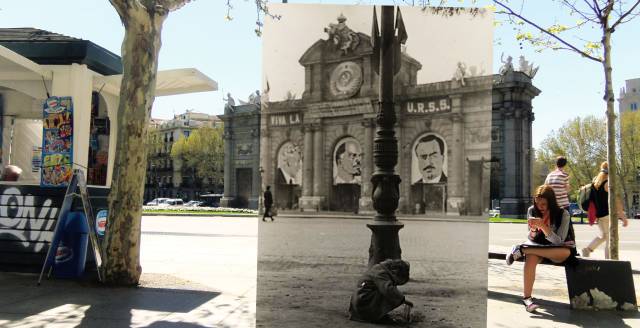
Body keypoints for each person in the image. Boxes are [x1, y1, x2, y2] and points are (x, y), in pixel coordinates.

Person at [506, 184, 576, 313]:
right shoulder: (532, 210)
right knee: (531, 258)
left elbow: (559, 241)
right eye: (537, 203)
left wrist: (543, 227)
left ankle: (521, 249)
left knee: (565, 252)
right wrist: (533, 229)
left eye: (543, 204)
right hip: (538, 247)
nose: (540, 207)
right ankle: (527, 299)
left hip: (558, 249)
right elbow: (531, 236)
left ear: (551, 202)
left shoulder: (563, 214)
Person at [582, 162, 629, 258]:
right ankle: (609, 261)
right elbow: (616, 200)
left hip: (599, 215)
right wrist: (622, 215)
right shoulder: (608, 183)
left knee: (604, 236)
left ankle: (587, 250)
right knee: (611, 239)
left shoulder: (595, 182)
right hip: (608, 215)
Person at [349, 259, 413, 324]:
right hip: (362, 304)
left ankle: (376, 314)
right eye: (397, 282)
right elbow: (388, 290)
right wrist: (403, 300)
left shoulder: (380, 268)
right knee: (390, 294)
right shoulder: (381, 273)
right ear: (395, 272)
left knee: (390, 292)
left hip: (359, 301)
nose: (395, 284)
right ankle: (373, 315)